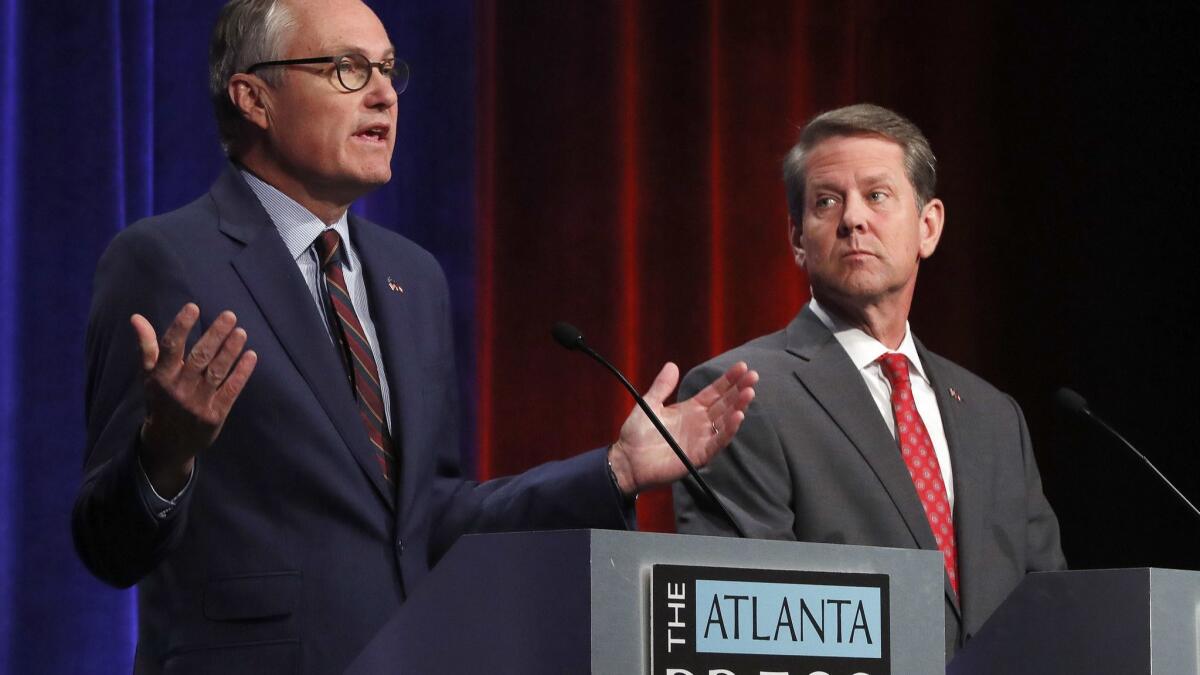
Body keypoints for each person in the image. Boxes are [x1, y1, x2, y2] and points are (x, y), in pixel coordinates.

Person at [72, 0, 757, 672]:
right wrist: (163, 456)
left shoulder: (411, 276)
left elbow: (428, 516)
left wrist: (615, 470)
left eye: (389, 70)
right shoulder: (165, 260)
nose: (382, 96)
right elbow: (107, 544)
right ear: (254, 98)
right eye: (346, 68)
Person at [673, 103, 1065, 660]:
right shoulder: (744, 394)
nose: (853, 218)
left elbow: (1050, 604)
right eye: (827, 201)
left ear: (928, 226)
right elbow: (749, 630)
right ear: (797, 239)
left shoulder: (993, 414)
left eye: (877, 196)